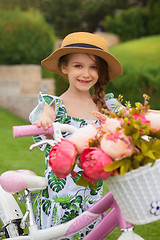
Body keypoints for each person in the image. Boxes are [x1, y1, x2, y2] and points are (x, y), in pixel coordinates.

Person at [29, 32, 123, 239]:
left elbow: (134, 119)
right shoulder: (54, 105)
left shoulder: (106, 107)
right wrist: (46, 120)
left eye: (93, 67)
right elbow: (47, 115)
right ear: (65, 68)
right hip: (61, 197)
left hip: (92, 196)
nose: (86, 73)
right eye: (78, 66)